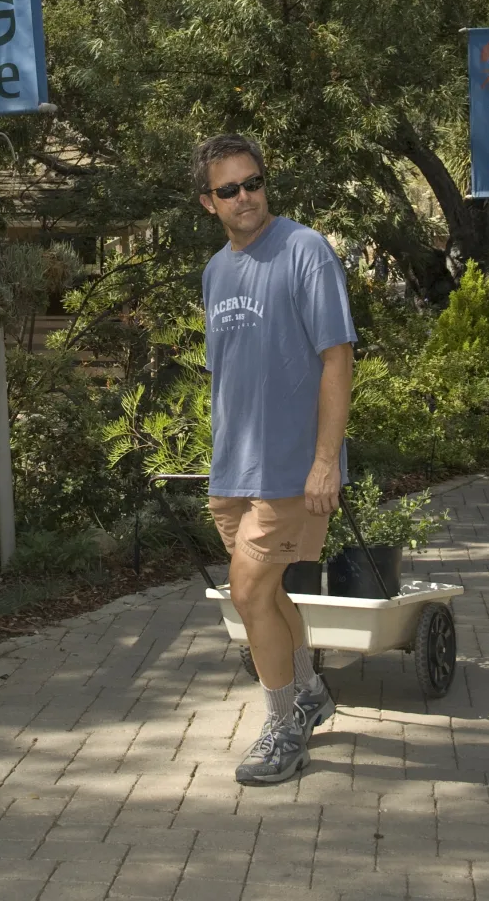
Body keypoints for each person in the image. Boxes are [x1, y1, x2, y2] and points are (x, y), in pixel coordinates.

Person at [195, 134, 356, 786]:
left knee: (248, 589)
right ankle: (310, 691)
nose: (245, 198)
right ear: (208, 202)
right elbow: (228, 375)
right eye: (228, 190)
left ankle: (283, 725)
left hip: (290, 465)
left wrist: (325, 461)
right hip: (234, 466)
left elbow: (336, 358)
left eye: (252, 182)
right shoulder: (215, 272)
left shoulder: (304, 251)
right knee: (266, 593)